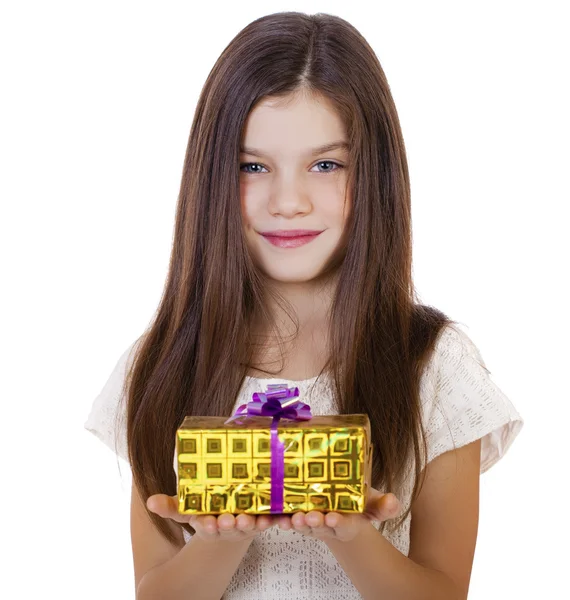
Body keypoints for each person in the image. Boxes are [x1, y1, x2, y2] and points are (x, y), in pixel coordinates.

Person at [84, 11, 524, 600]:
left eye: (325, 165)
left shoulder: (435, 365)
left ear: (374, 176)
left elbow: (444, 592)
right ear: (211, 177)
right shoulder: (166, 363)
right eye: (252, 166)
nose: (287, 201)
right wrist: (222, 535)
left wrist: (349, 530)